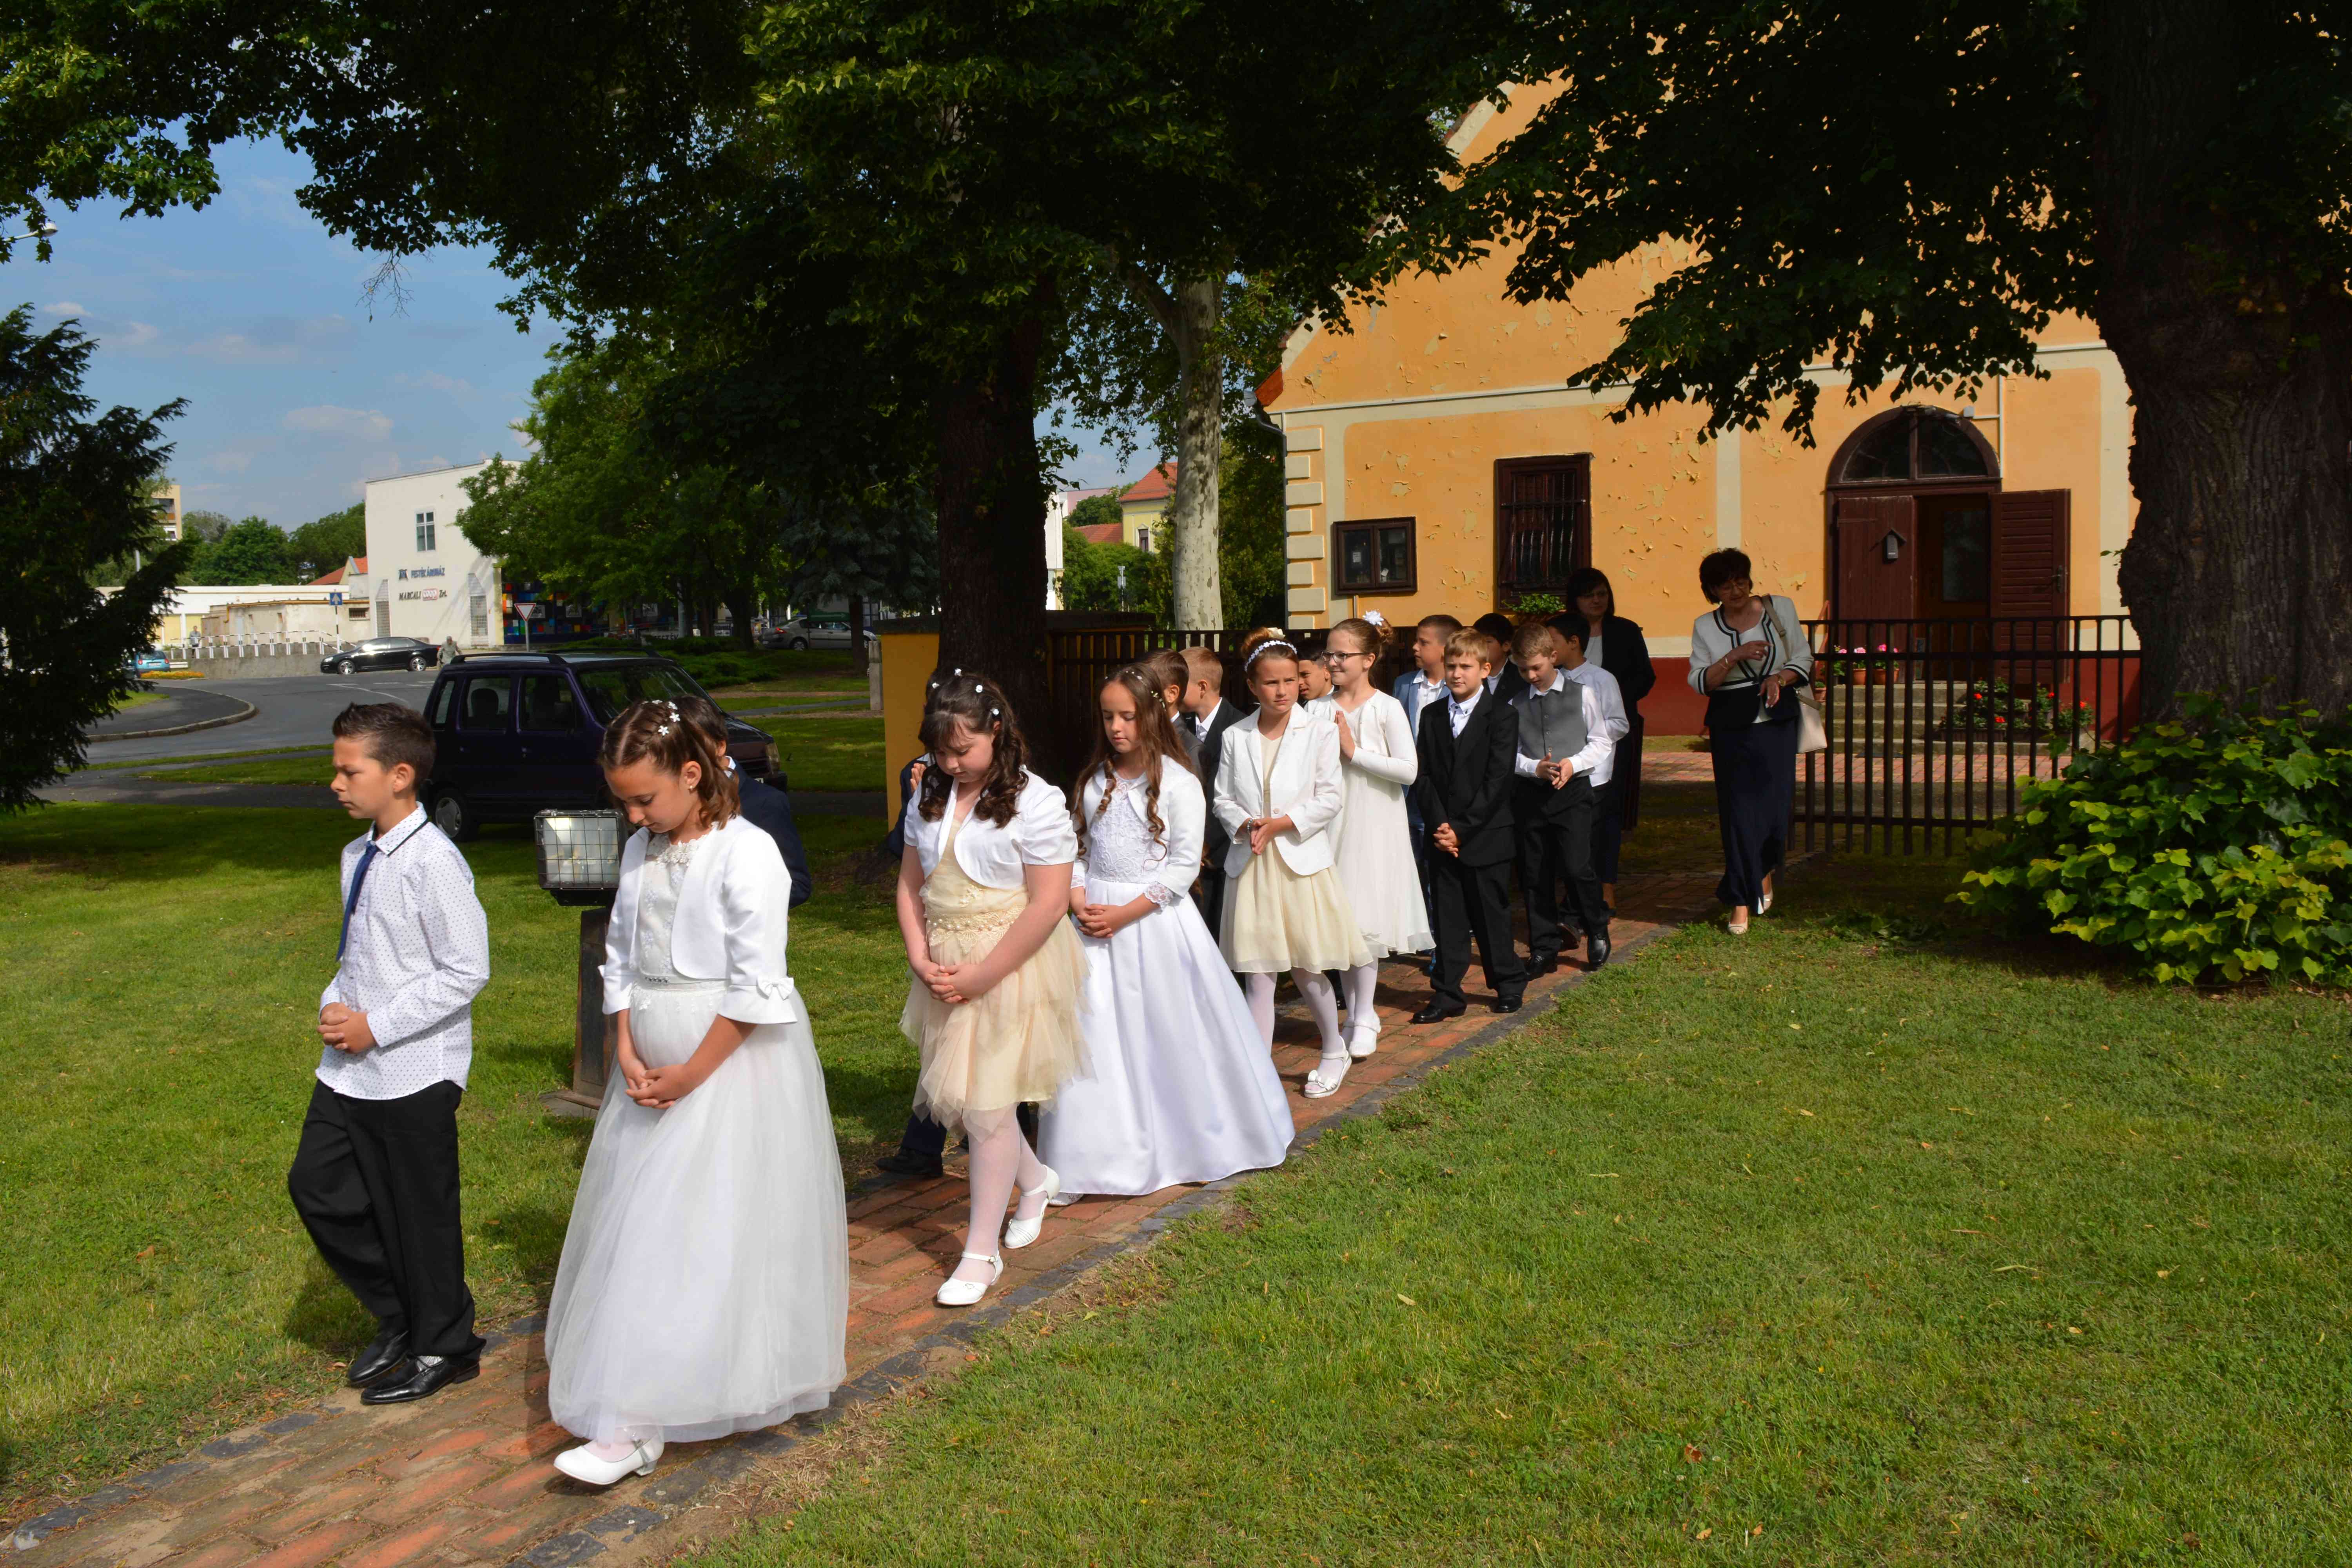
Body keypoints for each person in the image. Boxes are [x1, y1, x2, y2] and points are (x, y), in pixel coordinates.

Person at [543, 700, 847, 1486]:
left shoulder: (748, 853)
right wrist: (624, 1043)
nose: (634, 816)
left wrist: (691, 1071)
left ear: (691, 772)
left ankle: (639, 1419)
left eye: (645, 799)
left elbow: (755, 983)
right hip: (650, 1067)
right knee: (645, 1227)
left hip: (729, 1065)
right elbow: (619, 953)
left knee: (702, 1228)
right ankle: (640, 1407)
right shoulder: (641, 849)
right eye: (624, 802)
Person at [289, 702, 489, 1406]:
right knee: (317, 1187)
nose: (336, 783)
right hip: (350, 1071)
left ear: (400, 776)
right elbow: (359, 952)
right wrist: (335, 1002)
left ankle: (446, 1346)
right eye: (336, 770)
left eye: (351, 771)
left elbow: (466, 970)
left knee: (419, 1214)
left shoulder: (435, 862)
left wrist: (375, 1025)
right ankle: (400, 1313)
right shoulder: (357, 856)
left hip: (416, 1069)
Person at [1042, 666, 1294, 1197]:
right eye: (1108, 717)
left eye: (1128, 717)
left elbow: (1182, 867)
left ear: (1153, 716)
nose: (1116, 727)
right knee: (1095, 1035)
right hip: (1094, 924)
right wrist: (1080, 898)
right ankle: (1091, 1158)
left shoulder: (1178, 783)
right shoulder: (1094, 781)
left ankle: (1195, 1144)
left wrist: (1124, 913)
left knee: (1170, 1032)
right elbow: (1079, 849)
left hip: (1153, 924)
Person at [897, 674, 1088, 1305]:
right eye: (941, 751)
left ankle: (981, 1253)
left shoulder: (1037, 801)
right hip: (945, 960)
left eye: (963, 751)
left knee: (985, 1108)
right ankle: (1034, 1180)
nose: (950, 764)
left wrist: (985, 974)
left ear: (996, 732)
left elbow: (1048, 903)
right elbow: (910, 883)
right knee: (967, 1102)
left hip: (1011, 964)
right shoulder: (929, 793)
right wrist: (920, 955)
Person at [1212, 629, 1371, 1098]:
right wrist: (1247, 824)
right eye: (1270, 682)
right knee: (1258, 972)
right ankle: (1261, 1077)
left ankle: (1333, 1048)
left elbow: (1330, 798)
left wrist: (1280, 823)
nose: (1282, 690)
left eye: (1289, 681)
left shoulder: (1319, 731)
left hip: (1299, 865)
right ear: (1252, 685)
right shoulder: (1235, 736)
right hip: (1252, 864)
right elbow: (1222, 798)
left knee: (1306, 965)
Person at [1688, 548, 1813, 935]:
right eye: (1726, 586)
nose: (1736, 590)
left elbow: (1803, 659)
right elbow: (1700, 681)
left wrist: (1779, 678)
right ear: (1712, 590)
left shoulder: (1780, 608)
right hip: (1731, 725)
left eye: (1741, 581)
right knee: (1739, 813)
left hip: (1777, 720)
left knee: (1775, 810)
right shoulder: (1705, 626)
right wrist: (1734, 656)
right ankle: (1740, 901)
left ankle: (1762, 870)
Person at [1323, 613, 1430, 1058]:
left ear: (1368, 659)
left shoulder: (1386, 708)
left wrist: (1354, 752)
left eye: (1342, 655)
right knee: (1340, 922)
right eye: (1329, 654)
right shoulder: (1316, 709)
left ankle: (1364, 1013)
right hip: (1329, 823)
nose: (1332, 662)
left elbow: (1408, 770)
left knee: (1365, 917)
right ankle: (1354, 1013)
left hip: (1373, 820)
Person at [1412, 629, 1528, 1021]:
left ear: (1485, 669)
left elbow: (1498, 780)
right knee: (1448, 918)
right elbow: (1423, 775)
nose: (1457, 673)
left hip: (1486, 834)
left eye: (1465, 666)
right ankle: (1447, 993)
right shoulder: (1431, 715)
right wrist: (1441, 826)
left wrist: (1463, 828)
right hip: (1442, 835)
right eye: (1451, 666)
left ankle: (1508, 983)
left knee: (1490, 914)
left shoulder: (1503, 716)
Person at [1507, 623, 1618, 974]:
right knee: (1535, 873)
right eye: (1522, 670)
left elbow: (1601, 741)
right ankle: (1544, 947)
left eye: (1536, 667)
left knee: (1577, 866)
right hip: (1532, 796)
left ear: (1553, 657)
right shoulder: (1515, 704)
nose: (1530, 676)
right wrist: (1532, 768)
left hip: (1574, 793)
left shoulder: (1583, 694)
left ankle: (1596, 926)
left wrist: (1574, 764)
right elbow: (1510, 755)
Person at [1554, 567, 1656, 912]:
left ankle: (1607, 885)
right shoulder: (1562, 633)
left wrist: (1608, 702)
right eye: (1589, 595)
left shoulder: (1625, 630)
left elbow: (1645, 677)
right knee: (1572, 814)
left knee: (1609, 810)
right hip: (1569, 739)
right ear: (1575, 600)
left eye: (1602, 593)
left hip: (1615, 732)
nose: (1597, 601)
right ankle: (1574, 887)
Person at [677, 697, 811, 909]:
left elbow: (797, 885)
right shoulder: (670, 804)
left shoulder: (764, 802)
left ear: (720, 746)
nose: (681, 759)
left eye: (691, 748)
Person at [1392, 614, 1460, 947]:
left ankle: (1444, 933)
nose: (1415, 648)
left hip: (1441, 792)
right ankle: (1418, 930)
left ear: (1445, 648)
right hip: (1407, 791)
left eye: (1423, 642)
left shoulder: (1458, 685)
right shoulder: (1404, 684)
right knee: (1411, 863)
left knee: (1440, 867)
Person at [1178, 644, 1249, 935]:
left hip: (1222, 849)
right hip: (1188, 847)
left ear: (1202, 687)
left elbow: (1239, 793)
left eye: (1180, 684)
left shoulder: (1241, 728)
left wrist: (1207, 843)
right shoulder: (1182, 727)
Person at [1474, 612, 1525, 701]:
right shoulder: (1471, 676)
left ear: (1506, 646)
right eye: (1476, 642)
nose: (1479, 646)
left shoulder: (1522, 677)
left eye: (1488, 642)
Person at [1297, 644, 1337, 718]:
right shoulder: (1296, 708)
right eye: (1295, 677)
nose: (1299, 682)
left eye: (1305, 675)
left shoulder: (1342, 705)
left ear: (1327, 671)